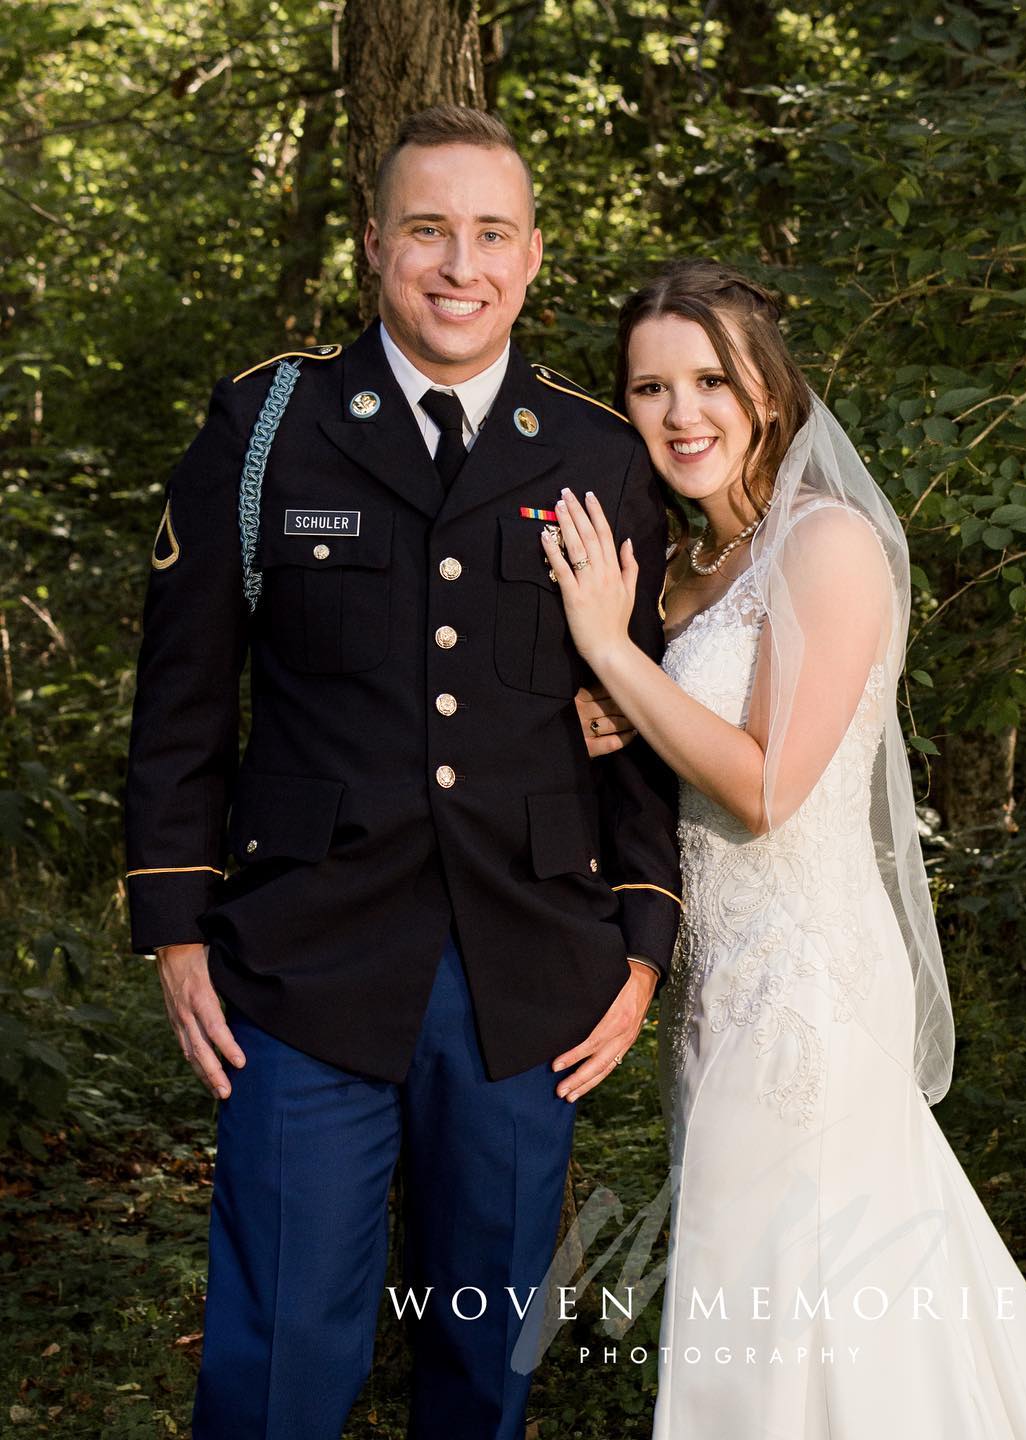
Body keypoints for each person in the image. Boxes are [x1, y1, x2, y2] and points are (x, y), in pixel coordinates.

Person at [122, 105, 681, 1440]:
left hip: (528, 966)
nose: (458, 264)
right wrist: (173, 931)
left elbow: (640, 721)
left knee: (486, 1364)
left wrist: (644, 945)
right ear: (376, 244)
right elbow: (182, 702)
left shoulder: (598, 453)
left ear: (534, 256)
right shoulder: (271, 429)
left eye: (490, 234)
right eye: (428, 229)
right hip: (302, 959)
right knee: (275, 1367)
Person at [541, 259, 1026, 1438]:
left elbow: (766, 785)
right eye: (649, 389)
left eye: (710, 379)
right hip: (722, 989)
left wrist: (613, 661)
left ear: (768, 387)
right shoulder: (682, 571)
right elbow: (678, 757)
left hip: (807, 991)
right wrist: (608, 720)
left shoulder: (831, 545)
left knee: (794, 1311)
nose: (681, 413)